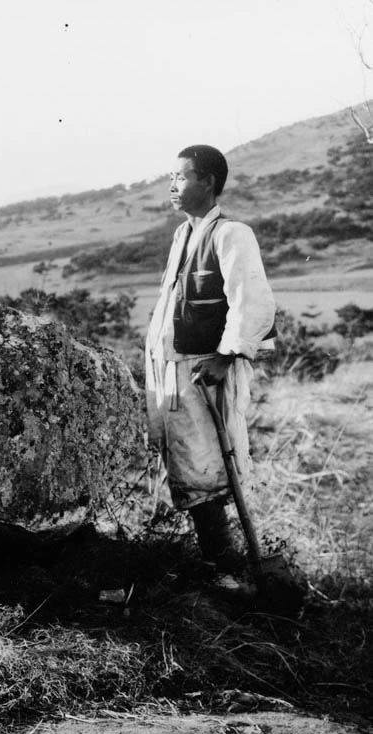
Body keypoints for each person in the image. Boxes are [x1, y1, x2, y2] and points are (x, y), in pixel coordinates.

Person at [145, 144, 276, 572]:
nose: (172, 185)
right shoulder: (183, 234)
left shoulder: (232, 233)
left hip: (207, 373)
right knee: (191, 467)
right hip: (177, 373)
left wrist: (226, 356)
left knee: (211, 469)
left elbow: (251, 301)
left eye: (181, 177)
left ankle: (232, 569)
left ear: (208, 182)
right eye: (172, 176)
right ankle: (220, 566)